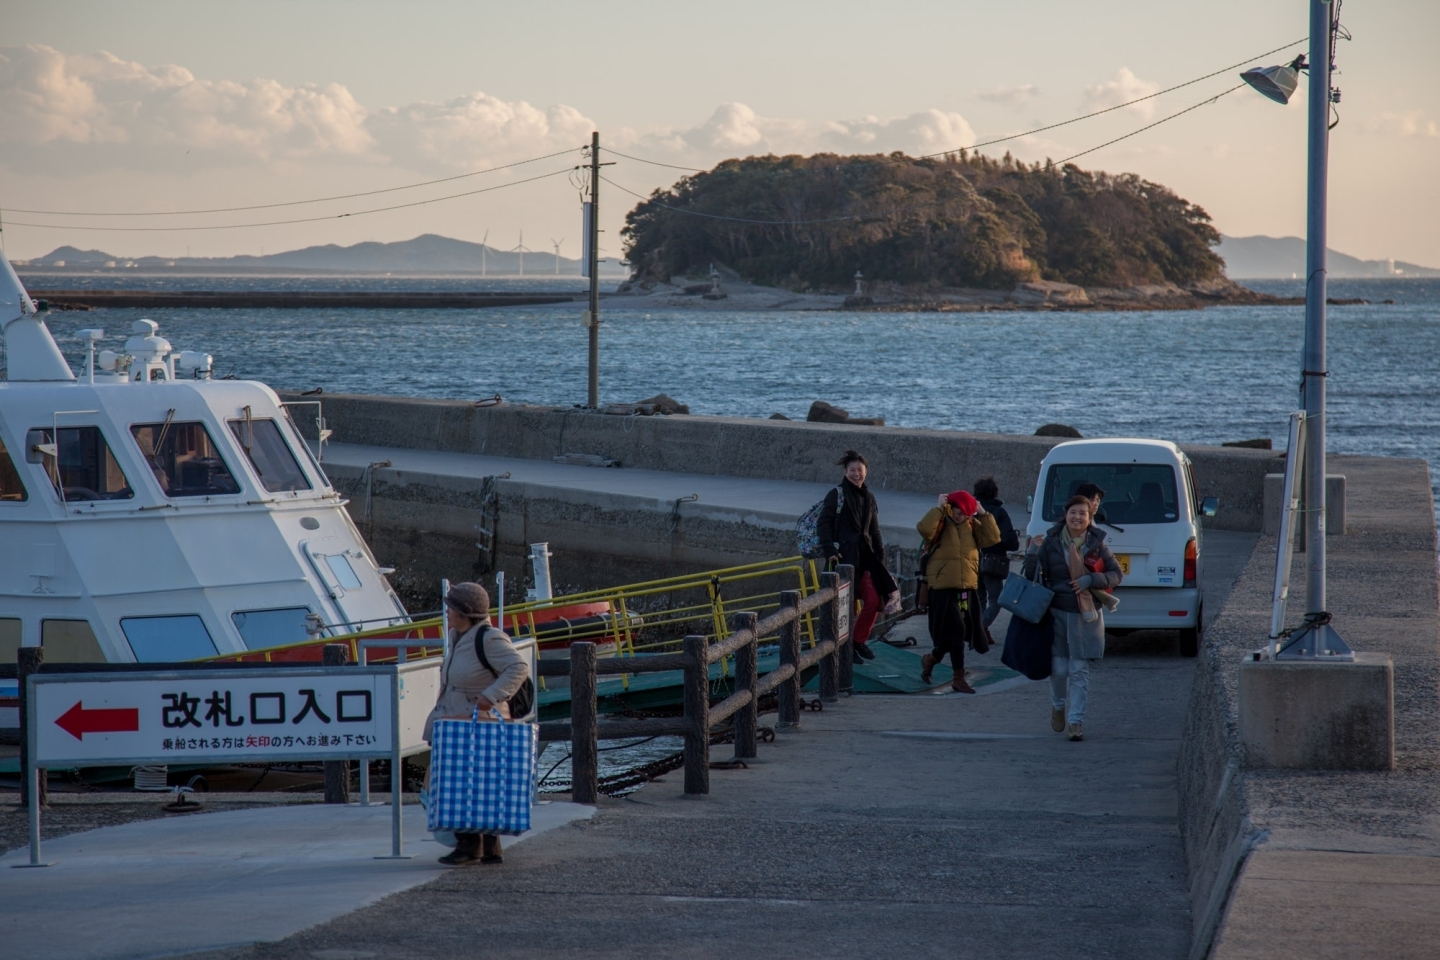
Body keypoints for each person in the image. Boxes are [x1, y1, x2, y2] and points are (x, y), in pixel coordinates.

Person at [423, 581, 530, 866]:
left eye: (451, 608)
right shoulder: (461, 636)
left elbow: (518, 667)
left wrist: (491, 696)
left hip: (477, 721)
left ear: (465, 612)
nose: (446, 613)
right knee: (480, 783)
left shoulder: (488, 638)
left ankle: (470, 846)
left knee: (459, 782)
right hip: (461, 719)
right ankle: (488, 847)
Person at [1023, 495, 1122, 741]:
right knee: (1058, 669)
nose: (1077, 517)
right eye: (1073, 512)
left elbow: (1116, 574)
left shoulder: (1097, 544)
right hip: (1056, 613)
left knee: (1079, 670)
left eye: (1083, 514)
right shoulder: (1051, 541)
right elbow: (1030, 574)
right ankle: (1058, 706)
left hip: (1085, 616)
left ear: (1090, 519)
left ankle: (1076, 722)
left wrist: (1091, 580)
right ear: (1065, 514)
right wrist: (1033, 551)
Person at [817, 450, 901, 661]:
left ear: (866, 472)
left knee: (873, 601)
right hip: (842, 560)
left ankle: (857, 642)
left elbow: (875, 531)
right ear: (845, 472)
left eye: (860, 470)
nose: (856, 474)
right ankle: (843, 649)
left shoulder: (869, 498)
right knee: (845, 608)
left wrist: (880, 559)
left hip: (867, 560)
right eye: (852, 470)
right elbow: (823, 523)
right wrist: (829, 550)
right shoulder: (836, 495)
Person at [916, 490, 1000, 693]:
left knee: (954, 633)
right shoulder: (941, 521)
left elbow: (992, 538)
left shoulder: (972, 525)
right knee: (957, 629)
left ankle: (932, 659)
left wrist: (983, 513)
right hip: (942, 588)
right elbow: (924, 529)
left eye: (964, 512)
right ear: (950, 507)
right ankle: (958, 677)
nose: (960, 515)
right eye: (957, 511)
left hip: (965, 588)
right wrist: (938, 508)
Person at [972, 475, 1020, 627]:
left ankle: (978, 629)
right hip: (993, 563)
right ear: (995, 493)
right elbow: (1011, 542)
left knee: (979, 599)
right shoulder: (999, 512)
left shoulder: (970, 511)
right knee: (997, 600)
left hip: (972, 562)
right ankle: (980, 629)